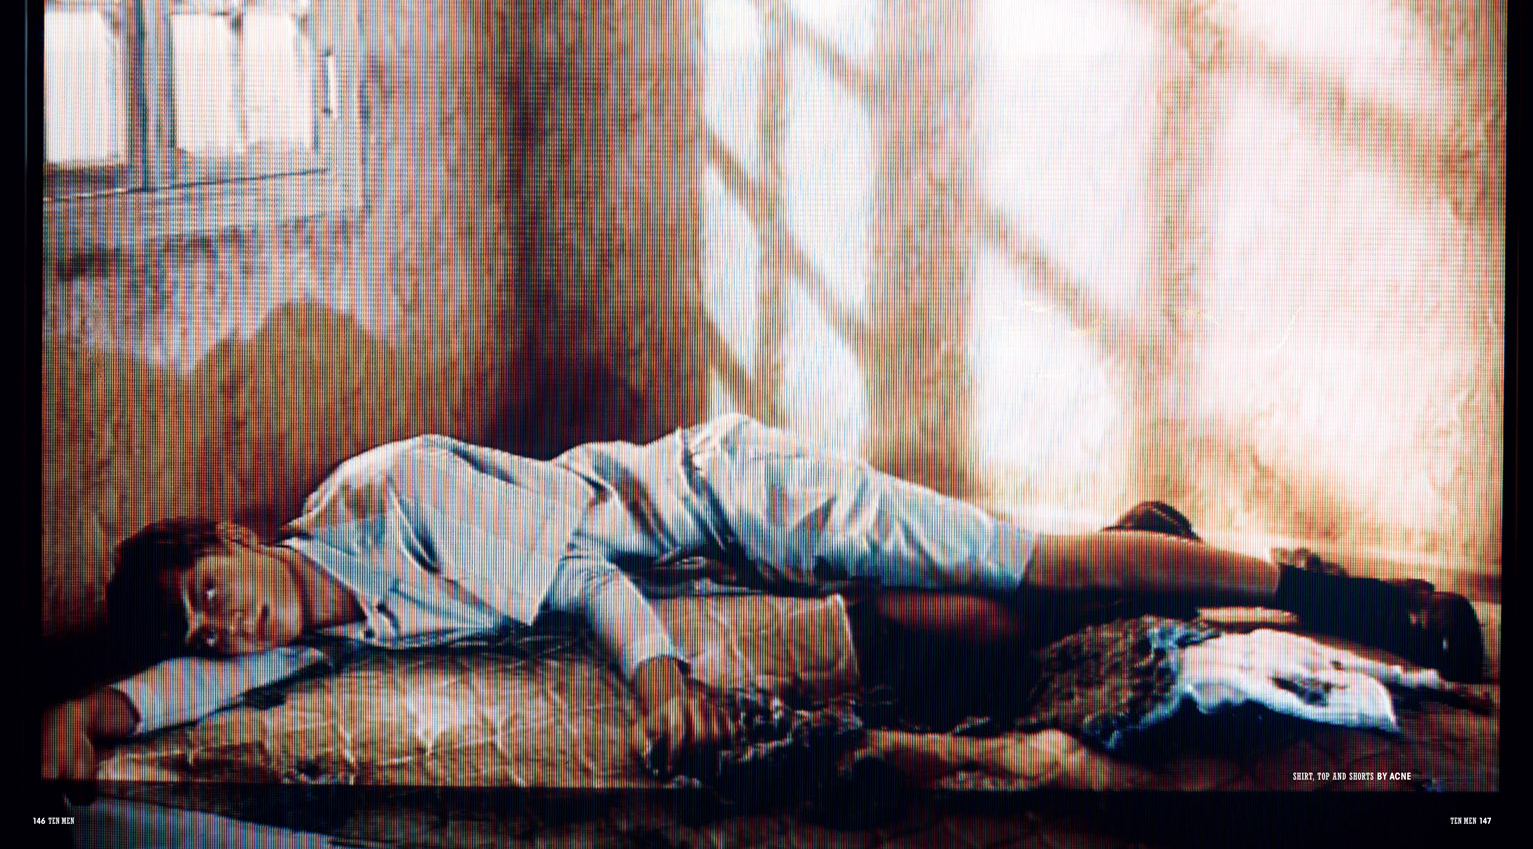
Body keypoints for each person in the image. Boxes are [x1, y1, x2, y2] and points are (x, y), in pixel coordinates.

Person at [41, 413, 1485, 783]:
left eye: (212, 589)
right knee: (969, 627)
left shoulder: (393, 490)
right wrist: (94, 709)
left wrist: (660, 678)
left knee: (1022, 562)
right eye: (204, 626)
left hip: (734, 494)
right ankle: (1143, 540)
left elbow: (589, 579)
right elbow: (204, 682)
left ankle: (1350, 593)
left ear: (236, 537)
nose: (226, 625)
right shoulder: (296, 629)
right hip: (712, 568)